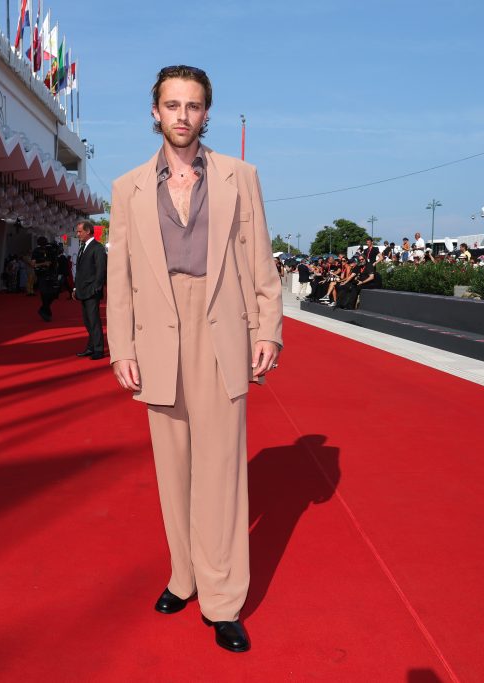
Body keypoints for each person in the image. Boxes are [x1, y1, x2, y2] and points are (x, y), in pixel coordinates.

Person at [106, 64, 282, 653]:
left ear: (206, 113)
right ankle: (184, 577)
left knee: (222, 472)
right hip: (159, 332)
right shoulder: (128, 187)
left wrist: (268, 330)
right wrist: (121, 347)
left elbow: (260, 258)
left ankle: (223, 597)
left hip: (221, 325)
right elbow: (120, 274)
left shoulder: (241, 176)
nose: (183, 116)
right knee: (173, 469)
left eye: (194, 106)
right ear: (154, 112)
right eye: (173, 105)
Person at [72, 220, 106, 359]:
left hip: (92, 291)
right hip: (83, 290)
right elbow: (79, 271)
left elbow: (101, 270)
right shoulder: (83, 247)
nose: (77, 234)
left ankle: (98, 349)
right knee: (87, 321)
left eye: (80, 231)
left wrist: (95, 288)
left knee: (94, 321)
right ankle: (91, 347)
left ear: (88, 231)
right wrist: (75, 288)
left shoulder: (97, 248)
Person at [30, 237, 59, 321]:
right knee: (44, 294)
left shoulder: (51, 249)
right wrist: (44, 263)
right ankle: (46, 312)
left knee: (54, 293)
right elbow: (33, 264)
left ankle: (44, 309)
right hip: (42, 275)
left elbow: (57, 255)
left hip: (52, 274)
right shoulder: (36, 251)